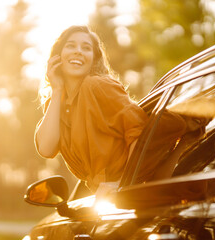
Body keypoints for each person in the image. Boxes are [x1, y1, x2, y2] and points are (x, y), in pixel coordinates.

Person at [34, 25, 193, 193]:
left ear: (94, 59)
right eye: (71, 45)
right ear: (58, 56)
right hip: (105, 199)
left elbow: (139, 131)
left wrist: (123, 185)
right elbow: (46, 148)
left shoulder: (97, 86)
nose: (78, 51)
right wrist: (57, 90)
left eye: (86, 48)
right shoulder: (57, 101)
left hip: (125, 192)